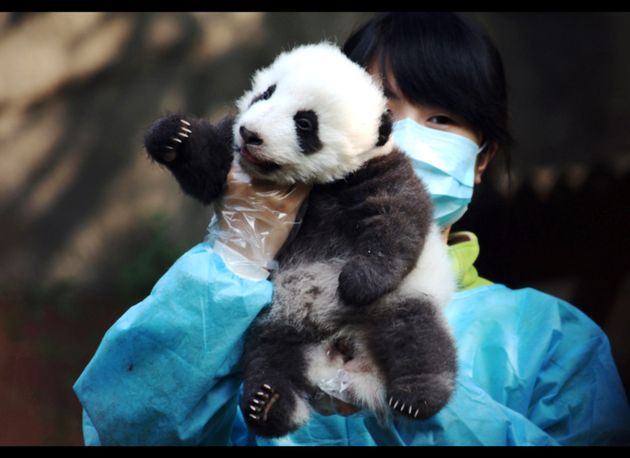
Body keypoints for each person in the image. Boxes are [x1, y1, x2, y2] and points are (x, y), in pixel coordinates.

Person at [73, 12, 630, 445]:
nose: (405, 135)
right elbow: (123, 428)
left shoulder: (553, 341)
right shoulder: (227, 302)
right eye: (384, 104)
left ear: (482, 159)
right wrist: (239, 254)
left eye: (442, 118)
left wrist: (408, 400)